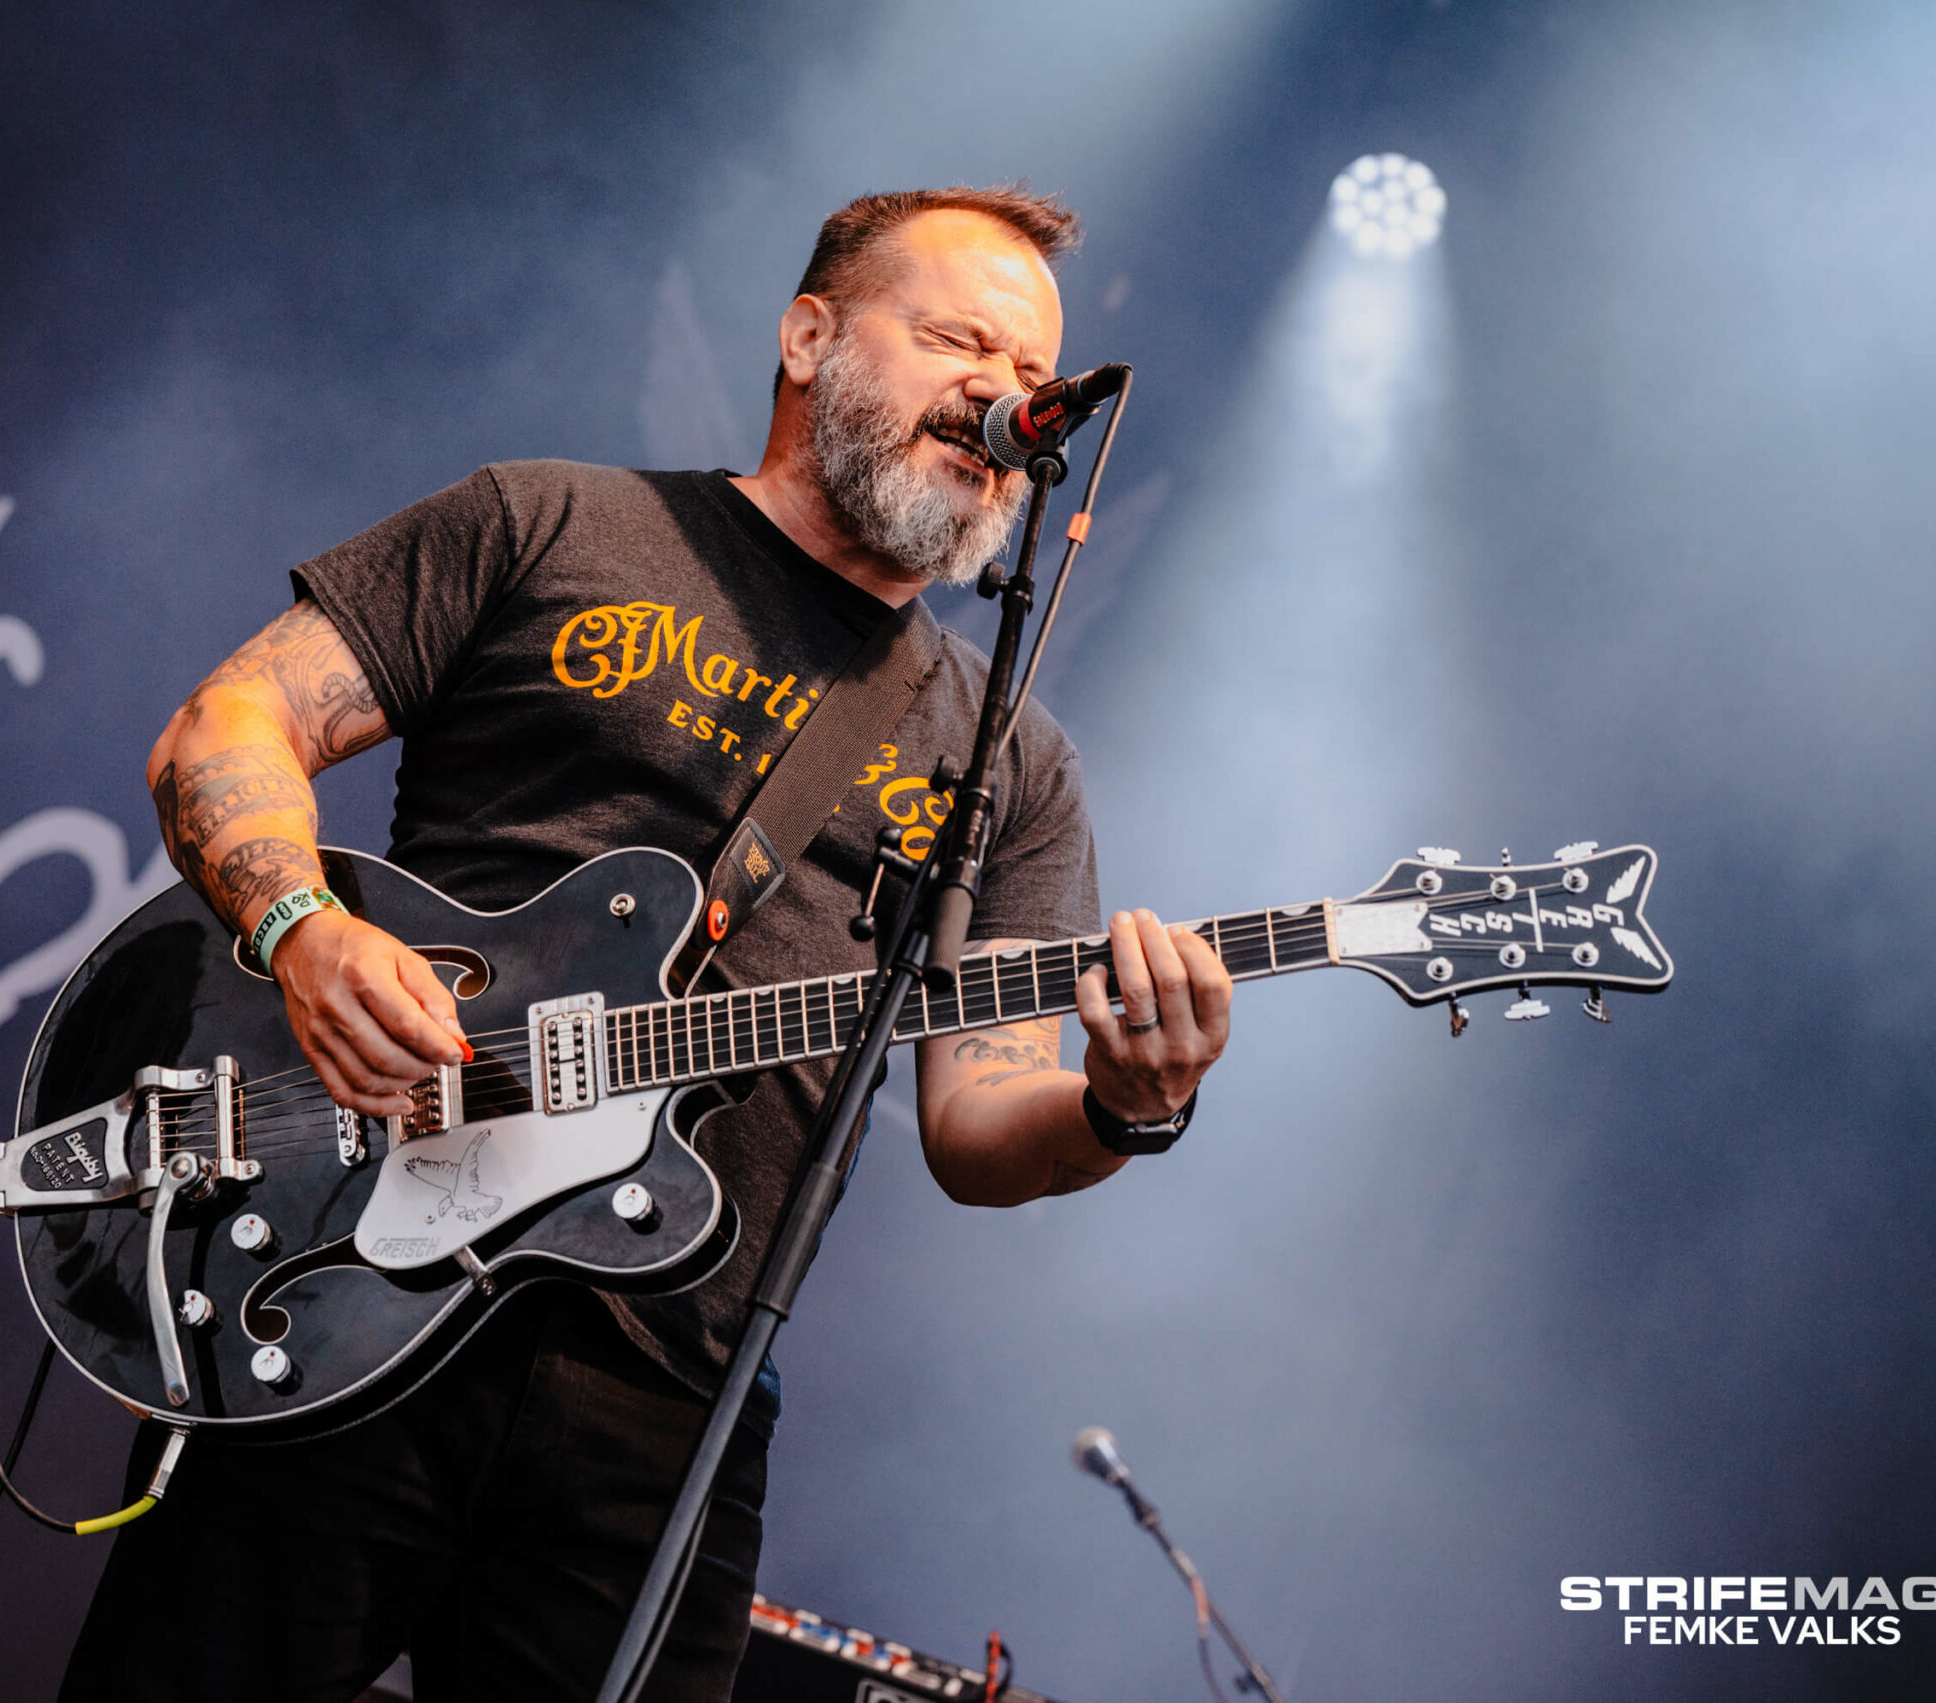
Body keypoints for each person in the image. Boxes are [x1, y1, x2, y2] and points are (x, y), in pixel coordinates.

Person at [61, 184, 1230, 1703]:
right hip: (344, 1286)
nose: (1005, 399)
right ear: (810, 334)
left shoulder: (1011, 759)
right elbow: (226, 726)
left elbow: (976, 1115)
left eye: (1029, 378)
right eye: (958, 339)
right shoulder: (550, 523)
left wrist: (1125, 1108)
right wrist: (303, 932)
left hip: (669, 1397)